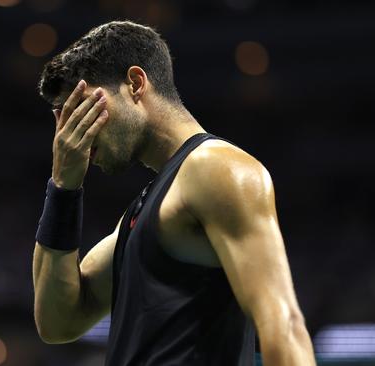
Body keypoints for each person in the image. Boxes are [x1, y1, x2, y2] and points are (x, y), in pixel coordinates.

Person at [32, 21, 316, 366]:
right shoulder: (145, 209)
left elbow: (283, 326)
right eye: (65, 118)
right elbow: (57, 321)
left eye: (83, 110)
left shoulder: (218, 169)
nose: (74, 136)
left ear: (135, 84)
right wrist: (63, 186)